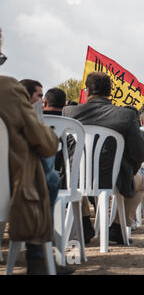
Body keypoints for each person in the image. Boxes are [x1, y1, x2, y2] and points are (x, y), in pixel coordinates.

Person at [0, 29, 60, 274]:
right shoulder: (7, 89)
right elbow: (46, 144)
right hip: (8, 190)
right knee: (49, 174)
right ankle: (39, 255)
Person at [62, 72, 144, 244]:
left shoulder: (69, 112)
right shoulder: (126, 115)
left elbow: (64, 146)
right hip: (113, 177)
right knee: (142, 183)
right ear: (110, 91)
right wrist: (130, 170)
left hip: (76, 177)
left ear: (86, 91)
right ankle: (117, 226)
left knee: (77, 178)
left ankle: (84, 223)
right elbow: (138, 151)